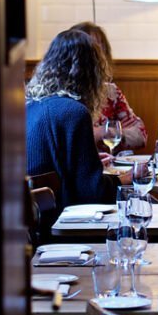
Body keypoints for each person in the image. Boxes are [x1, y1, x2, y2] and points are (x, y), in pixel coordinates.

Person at [26, 29, 116, 210]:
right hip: (61, 220)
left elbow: (51, 164)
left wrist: (89, 160)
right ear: (92, 73)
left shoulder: (30, 106)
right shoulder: (74, 112)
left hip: (32, 220)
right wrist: (123, 179)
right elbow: (92, 193)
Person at [69, 21, 147, 153]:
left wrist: (105, 132)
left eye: (101, 49)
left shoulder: (110, 91)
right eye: (91, 49)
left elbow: (141, 135)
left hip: (111, 167)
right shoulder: (61, 95)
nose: (98, 56)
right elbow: (69, 142)